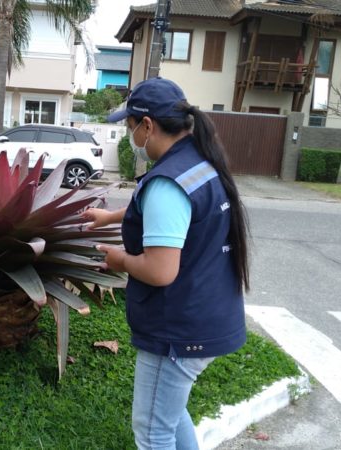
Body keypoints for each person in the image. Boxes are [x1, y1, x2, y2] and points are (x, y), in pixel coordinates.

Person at [83, 77, 249, 450]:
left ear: (147, 126)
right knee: (170, 415)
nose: (130, 137)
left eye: (129, 127)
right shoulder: (200, 164)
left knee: (153, 431)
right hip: (208, 314)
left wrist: (118, 259)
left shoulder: (168, 182)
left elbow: (160, 271)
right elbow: (170, 215)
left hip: (179, 329)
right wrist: (110, 219)